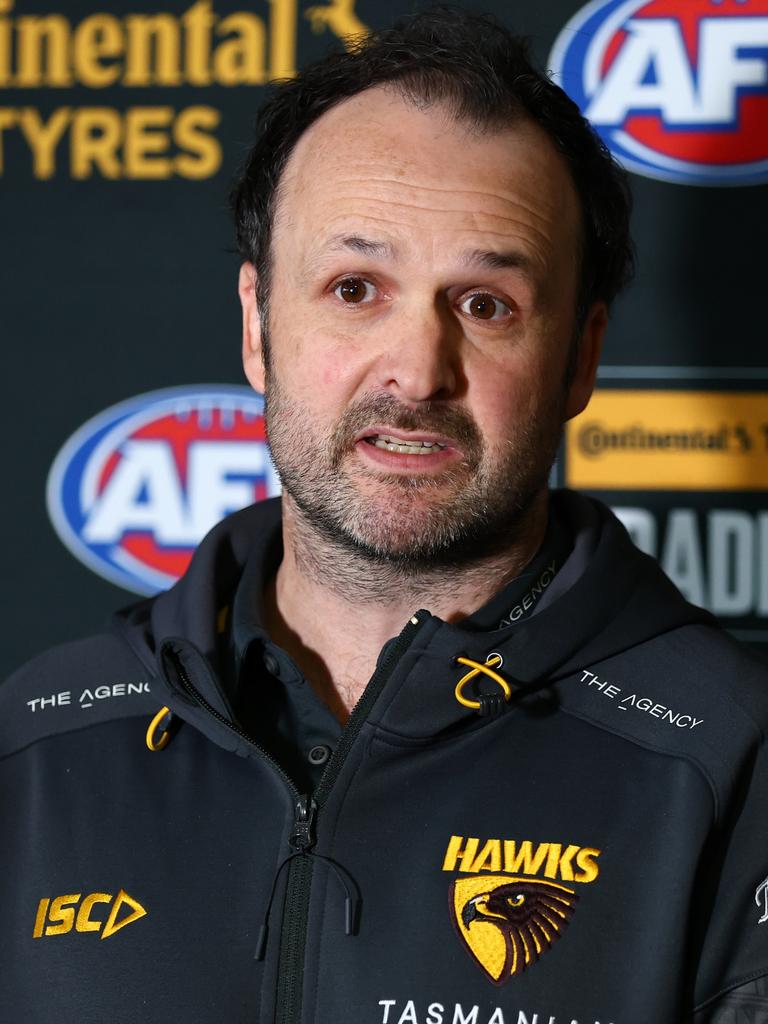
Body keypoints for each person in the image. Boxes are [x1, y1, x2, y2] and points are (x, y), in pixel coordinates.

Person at [2, 10, 767, 1024]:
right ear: (257, 327)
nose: (417, 371)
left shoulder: (732, 761)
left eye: (485, 303)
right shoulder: (37, 746)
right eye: (355, 287)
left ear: (580, 356)